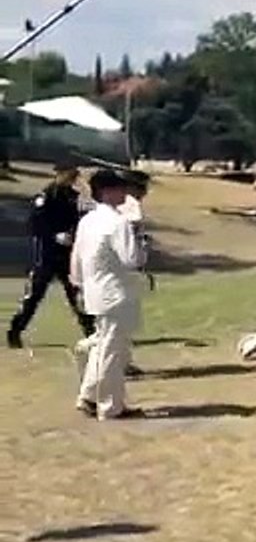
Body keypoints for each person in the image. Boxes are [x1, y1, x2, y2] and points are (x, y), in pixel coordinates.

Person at [71, 169, 149, 420]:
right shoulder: (118, 222)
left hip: (96, 291)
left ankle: (89, 395)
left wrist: (79, 285)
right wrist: (141, 240)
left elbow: (77, 258)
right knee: (113, 352)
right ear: (106, 192)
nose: (123, 192)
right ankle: (110, 406)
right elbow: (133, 259)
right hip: (116, 293)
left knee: (104, 346)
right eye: (118, 188)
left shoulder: (87, 221)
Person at [8, 160, 96, 349]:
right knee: (33, 297)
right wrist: (55, 235)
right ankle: (15, 332)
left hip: (67, 256)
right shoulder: (46, 196)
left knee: (77, 295)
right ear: (59, 174)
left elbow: (79, 219)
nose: (73, 180)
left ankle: (91, 332)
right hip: (46, 256)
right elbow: (35, 225)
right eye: (69, 175)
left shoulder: (73, 197)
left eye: (74, 176)